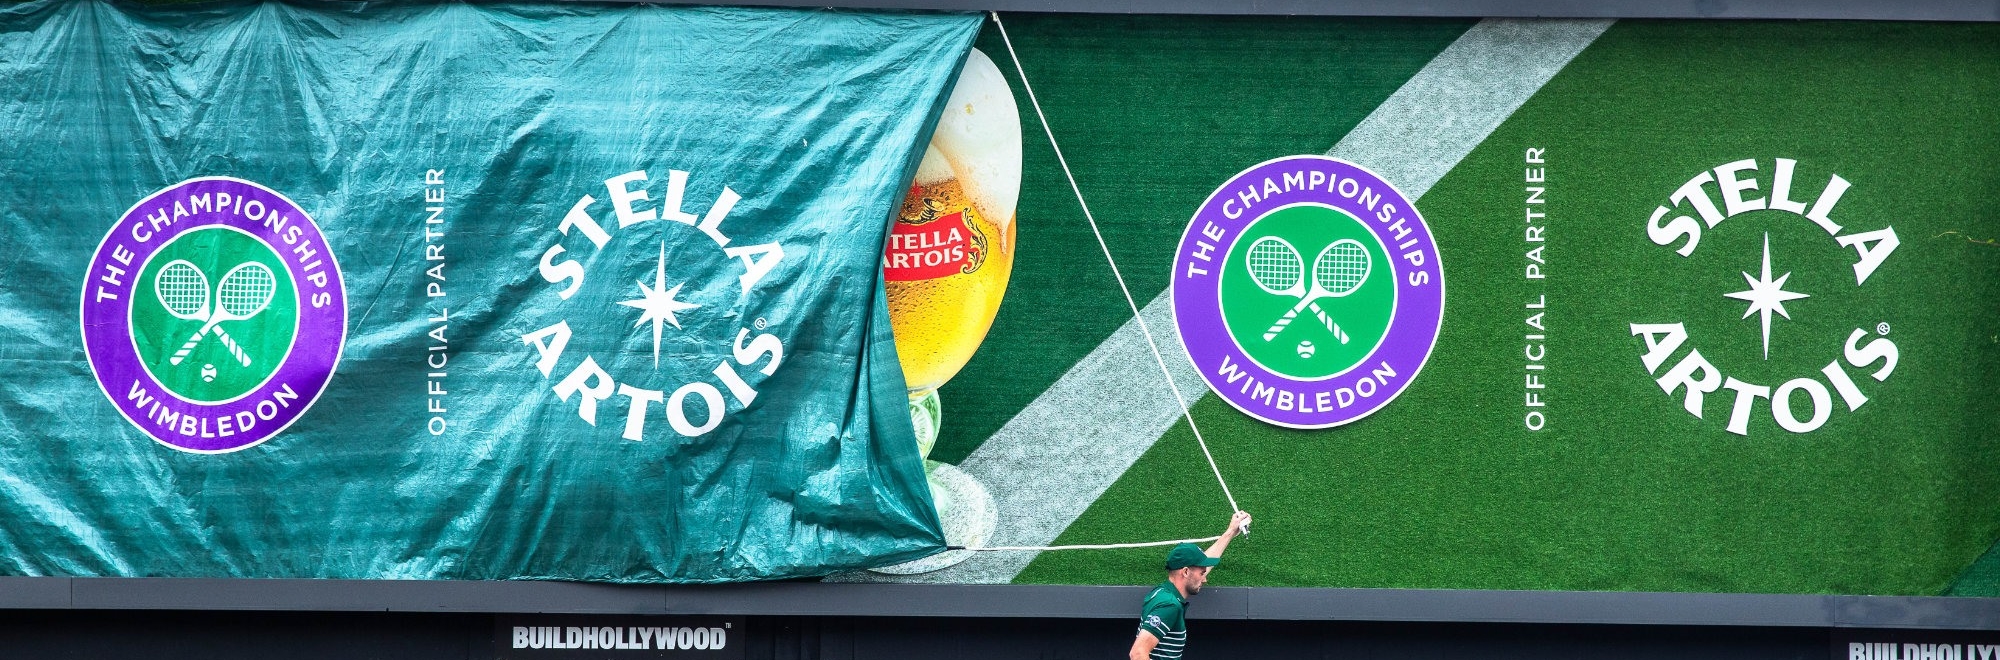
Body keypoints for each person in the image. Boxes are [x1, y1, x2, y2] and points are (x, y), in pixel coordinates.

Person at [1129, 510, 1252, 660]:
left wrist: (1231, 532)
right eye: (1202, 573)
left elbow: (1201, 568)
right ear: (1186, 572)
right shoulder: (1169, 605)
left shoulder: (1162, 593)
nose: (1205, 579)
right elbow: (1137, 654)